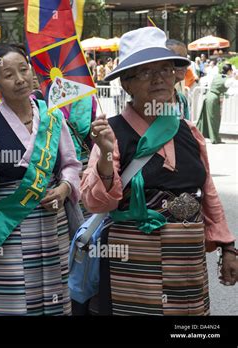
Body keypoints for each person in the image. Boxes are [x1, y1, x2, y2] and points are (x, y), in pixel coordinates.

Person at [81, 27, 237, 316]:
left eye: (165, 69)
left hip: (187, 266)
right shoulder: (112, 132)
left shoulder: (189, 131)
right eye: (144, 73)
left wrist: (228, 247)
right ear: (126, 84)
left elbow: (208, 191)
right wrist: (104, 154)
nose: (158, 79)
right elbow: (97, 203)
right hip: (132, 267)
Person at [0, 45, 82, 315]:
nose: (19, 79)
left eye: (23, 69)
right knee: (14, 296)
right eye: (8, 75)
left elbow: (71, 164)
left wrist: (64, 189)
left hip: (53, 220)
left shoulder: (53, 118)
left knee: (55, 290)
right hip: (9, 224)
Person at [196, 63, 233, 144]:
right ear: (229, 71)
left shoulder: (217, 76)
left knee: (205, 118)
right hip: (214, 98)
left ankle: (197, 136)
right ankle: (215, 139)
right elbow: (231, 87)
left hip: (208, 96)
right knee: (214, 119)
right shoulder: (227, 80)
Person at [165, 39, 193, 120]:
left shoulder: (182, 99)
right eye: (178, 60)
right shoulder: (152, 99)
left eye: (185, 58)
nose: (184, 64)